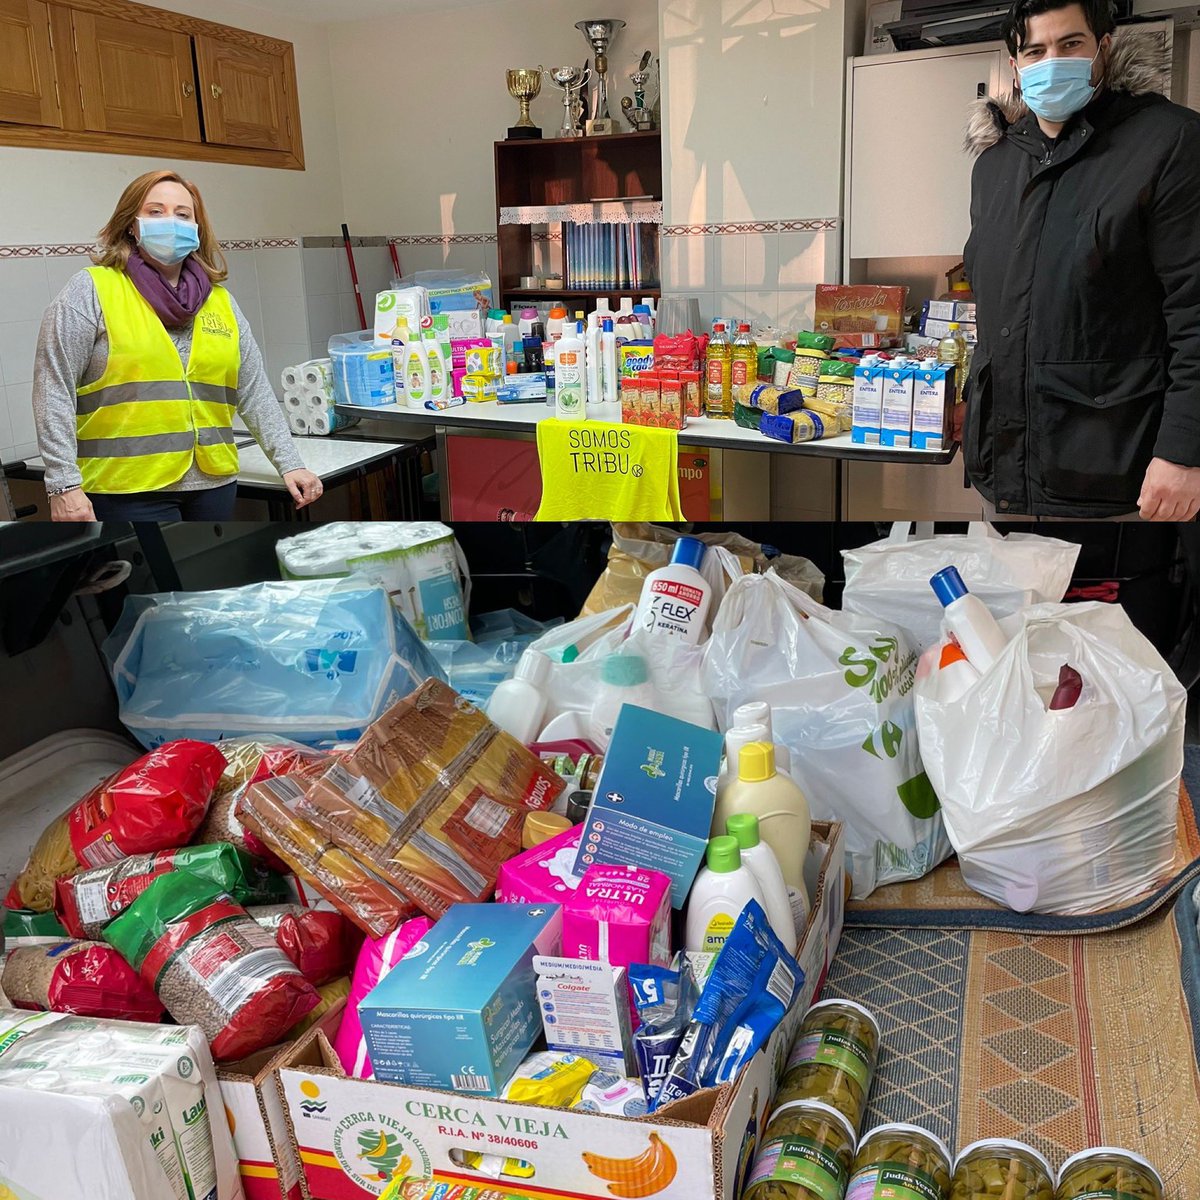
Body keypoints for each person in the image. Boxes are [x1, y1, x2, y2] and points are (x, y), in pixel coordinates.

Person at [960, 0, 1200, 520]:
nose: (1052, 61)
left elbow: (1195, 311)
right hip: (1005, 471)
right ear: (1015, 65)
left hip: (1121, 476)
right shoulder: (996, 164)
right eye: (1035, 50)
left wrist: (1183, 451)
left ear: (1103, 48)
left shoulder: (1169, 141)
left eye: (1070, 44)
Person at [33, 169, 324, 521]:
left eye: (183, 214)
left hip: (214, 485)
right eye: (155, 211)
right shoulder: (91, 290)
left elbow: (254, 391)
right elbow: (53, 388)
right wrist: (63, 486)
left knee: (210, 576)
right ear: (131, 224)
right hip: (124, 491)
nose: (170, 222)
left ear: (197, 228)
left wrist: (290, 464)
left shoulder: (220, 302)